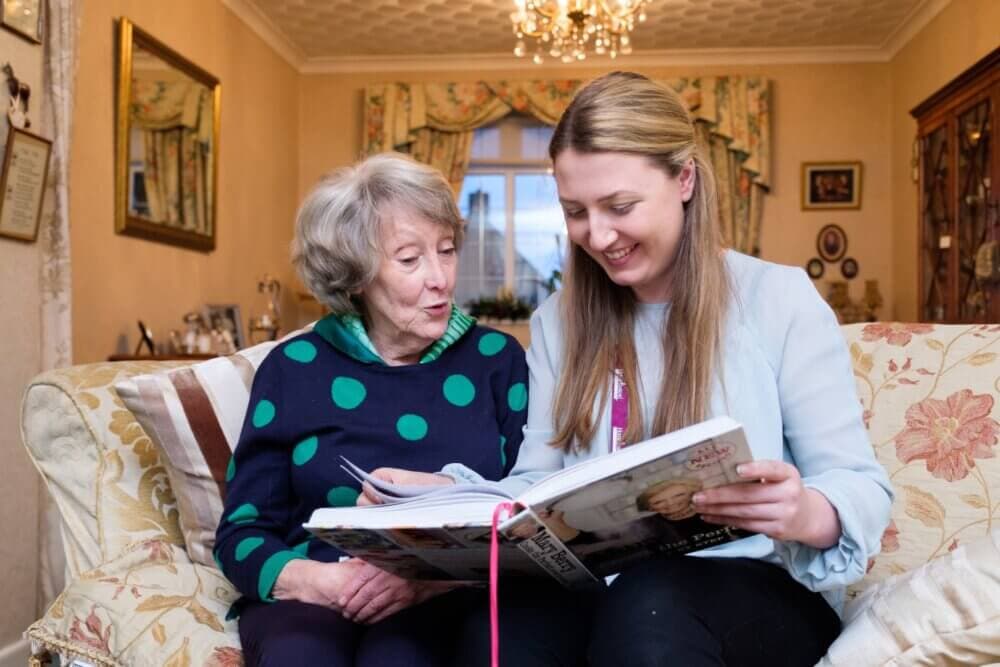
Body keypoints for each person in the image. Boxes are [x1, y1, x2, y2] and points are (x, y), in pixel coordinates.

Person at [362, 72, 893, 666]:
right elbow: (534, 489)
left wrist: (803, 511)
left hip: (759, 592)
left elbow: (860, 484)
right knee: (504, 621)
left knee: (651, 598)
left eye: (619, 206)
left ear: (684, 178)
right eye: (575, 212)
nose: (599, 235)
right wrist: (443, 495)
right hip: (606, 588)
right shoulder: (558, 321)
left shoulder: (778, 299)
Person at [214, 152, 528, 667]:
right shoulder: (294, 368)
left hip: (449, 595)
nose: (441, 279)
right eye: (410, 260)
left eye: (446, 251)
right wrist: (324, 582)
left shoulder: (497, 361)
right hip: (317, 587)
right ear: (355, 276)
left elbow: (527, 518)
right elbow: (242, 532)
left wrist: (427, 580)